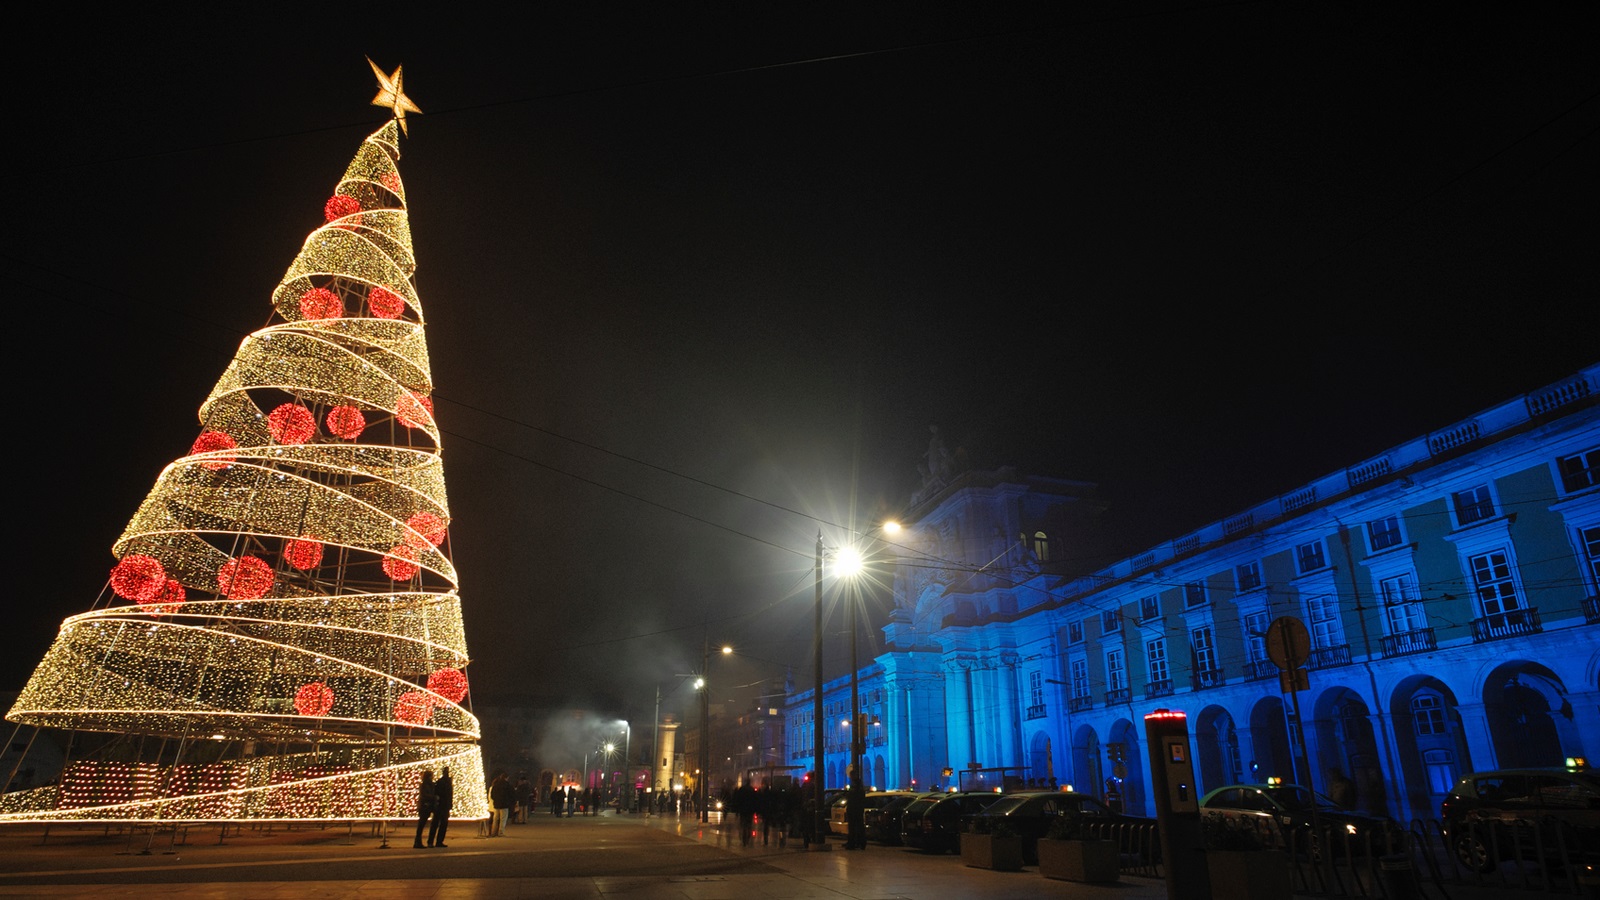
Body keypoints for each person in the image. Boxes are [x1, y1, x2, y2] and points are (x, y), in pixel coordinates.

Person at [428, 767, 453, 847]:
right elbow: (449, 795)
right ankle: (438, 841)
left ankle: (431, 841)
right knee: (442, 824)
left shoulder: (440, 782)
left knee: (436, 824)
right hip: (443, 806)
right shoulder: (447, 782)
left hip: (440, 805)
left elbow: (437, 793)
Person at [413, 770, 435, 848]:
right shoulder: (425, 785)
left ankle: (418, 841)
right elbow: (425, 795)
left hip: (425, 806)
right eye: (432, 775)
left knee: (421, 824)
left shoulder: (427, 784)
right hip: (425, 806)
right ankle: (417, 842)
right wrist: (433, 797)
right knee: (421, 824)